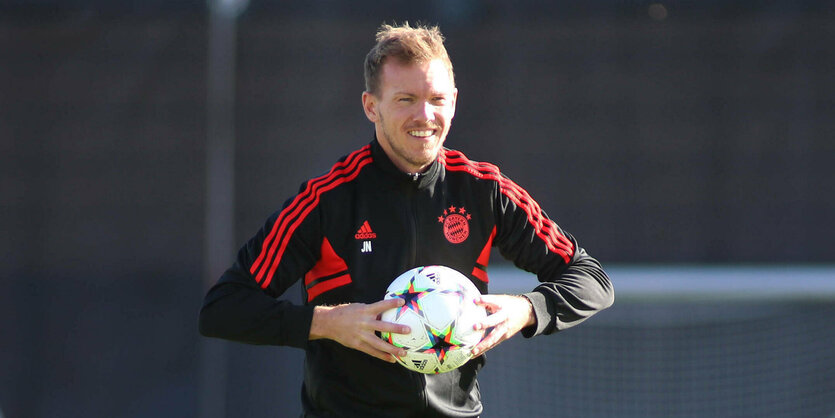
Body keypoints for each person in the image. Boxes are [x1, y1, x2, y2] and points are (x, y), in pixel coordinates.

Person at [199, 22, 614, 417]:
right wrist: (326, 323)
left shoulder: (484, 190)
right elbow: (223, 308)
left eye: (436, 100)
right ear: (371, 106)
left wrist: (526, 309)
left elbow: (591, 278)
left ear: (454, 100)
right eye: (405, 100)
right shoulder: (327, 201)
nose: (424, 116)